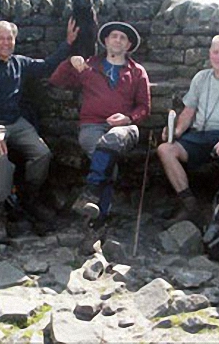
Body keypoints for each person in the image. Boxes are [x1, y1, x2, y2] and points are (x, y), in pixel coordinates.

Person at [0, 19, 77, 245]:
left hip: (16, 122)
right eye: (2, 38)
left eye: (10, 38)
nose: (6, 43)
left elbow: (48, 65)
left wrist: (67, 44)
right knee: (0, 159)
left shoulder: (21, 63)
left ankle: (29, 197)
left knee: (42, 153)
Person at [50, 21, 151, 223]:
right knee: (107, 162)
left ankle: (90, 192)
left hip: (125, 128)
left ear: (128, 45)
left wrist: (128, 118)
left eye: (123, 38)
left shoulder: (137, 71)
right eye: (114, 36)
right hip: (91, 126)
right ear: (105, 40)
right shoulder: (89, 66)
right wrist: (70, 62)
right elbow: (56, 80)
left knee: (112, 139)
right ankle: (100, 216)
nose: (117, 40)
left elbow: (144, 108)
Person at [157, 35, 219, 227]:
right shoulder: (201, 78)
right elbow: (188, 112)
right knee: (165, 149)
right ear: (210, 53)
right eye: (216, 52)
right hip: (199, 135)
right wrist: (176, 132)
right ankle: (189, 205)